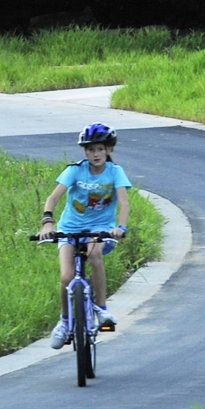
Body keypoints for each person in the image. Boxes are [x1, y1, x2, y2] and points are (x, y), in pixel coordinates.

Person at [37, 123, 131, 348]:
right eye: (90, 150)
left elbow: (124, 204)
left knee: (94, 253)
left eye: (100, 149)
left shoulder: (115, 172)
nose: (95, 154)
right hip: (70, 228)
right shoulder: (75, 170)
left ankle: (102, 310)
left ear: (109, 149)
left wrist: (120, 227)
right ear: (84, 152)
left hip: (101, 228)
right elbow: (53, 198)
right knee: (66, 278)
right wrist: (48, 223)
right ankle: (65, 320)